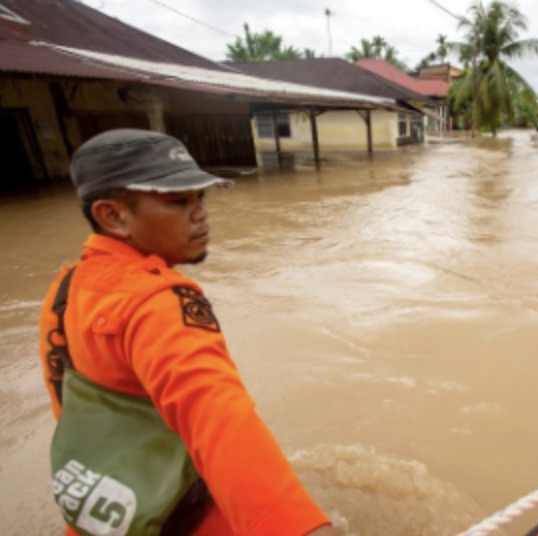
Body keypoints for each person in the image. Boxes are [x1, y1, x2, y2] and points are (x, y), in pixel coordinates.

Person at [38, 129, 337, 535]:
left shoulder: (65, 289)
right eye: (178, 202)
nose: (200, 214)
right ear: (113, 216)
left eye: (201, 197)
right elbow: (217, 418)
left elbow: (71, 408)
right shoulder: (158, 300)